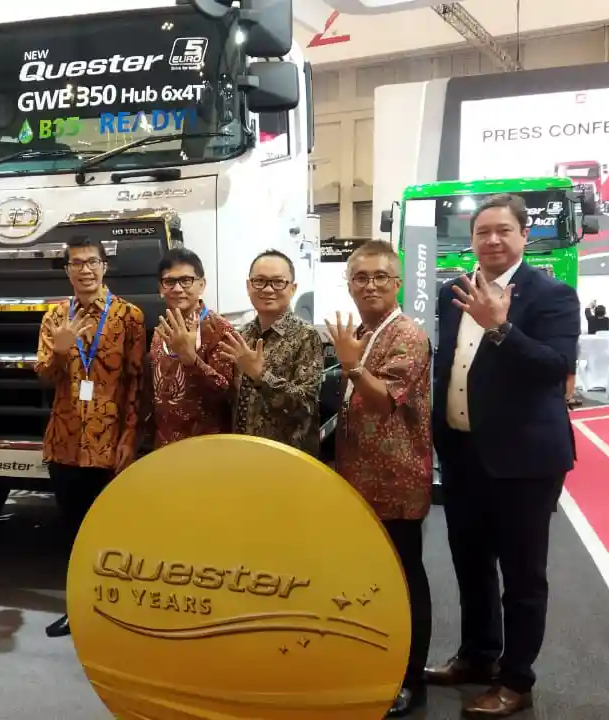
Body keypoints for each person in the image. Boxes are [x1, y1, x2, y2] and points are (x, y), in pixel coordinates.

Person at [428, 194, 580, 717]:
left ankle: (516, 680)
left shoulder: (552, 295)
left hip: (524, 460)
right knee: (470, 566)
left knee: (522, 576)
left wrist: (500, 328)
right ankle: (477, 656)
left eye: (503, 231)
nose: (492, 240)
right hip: (462, 452)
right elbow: (449, 365)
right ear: (471, 239)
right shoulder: (451, 291)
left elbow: (554, 366)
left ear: (524, 236)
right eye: (482, 232)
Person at [325, 240, 432, 718]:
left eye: (380, 277)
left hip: (396, 482)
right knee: (372, 580)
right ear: (349, 284)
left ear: (398, 282)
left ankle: (411, 677)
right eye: (360, 277)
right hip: (358, 480)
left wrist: (351, 365)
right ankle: (376, 664)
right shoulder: (363, 332)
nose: (370, 285)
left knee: (405, 580)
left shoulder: (407, 334)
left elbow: (385, 399)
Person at [35, 235, 146, 638]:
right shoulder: (54, 317)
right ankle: (77, 608)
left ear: (104, 266)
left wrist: (130, 436)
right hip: (64, 442)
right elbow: (44, 376)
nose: (85, 270)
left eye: (91, 262)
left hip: (110, 443)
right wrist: (61, 351)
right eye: (77, 263)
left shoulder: (128, 316)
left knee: (113, 532)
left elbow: (136, 382)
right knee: (72, 531)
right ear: (68, 271)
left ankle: (116, 611)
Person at [220, 250, 323, 455]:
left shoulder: (306, 336)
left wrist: (261, 376)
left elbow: (306, 407)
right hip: (243, 453)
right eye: (259, 281)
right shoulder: (241, 335)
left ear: (292, 288)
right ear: (248, 286)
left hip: (286, 457)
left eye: (278, 282)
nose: (268, 289)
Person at [143, 247, 236, 449]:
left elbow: (227, 395)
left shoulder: (219, 330)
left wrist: (191, 360)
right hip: (165, 446)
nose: (177, 288)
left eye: (186, 280)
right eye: (169, 281)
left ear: (201, 285)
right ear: (161, 288)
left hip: (206, 448)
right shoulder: (162, 329)